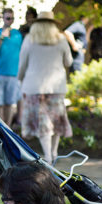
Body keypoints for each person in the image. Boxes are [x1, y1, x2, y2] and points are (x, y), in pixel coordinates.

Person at [18, 10, 73, 163]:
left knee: (43, 124)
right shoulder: (61, 39)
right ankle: (53, 154)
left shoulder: (30, 39)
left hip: (33, 88)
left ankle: (48, 155)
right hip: (56, 88)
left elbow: (22, 64)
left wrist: (20, 79)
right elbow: (68, 62)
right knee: (55, 122)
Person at [0, 7, 23, 127]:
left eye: (12, 18)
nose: (10, 20)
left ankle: (7, 128)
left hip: (13, 73)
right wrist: (2, 38)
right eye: (8, 18)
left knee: (9, 103)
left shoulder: (17, 34)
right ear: (3, 19)